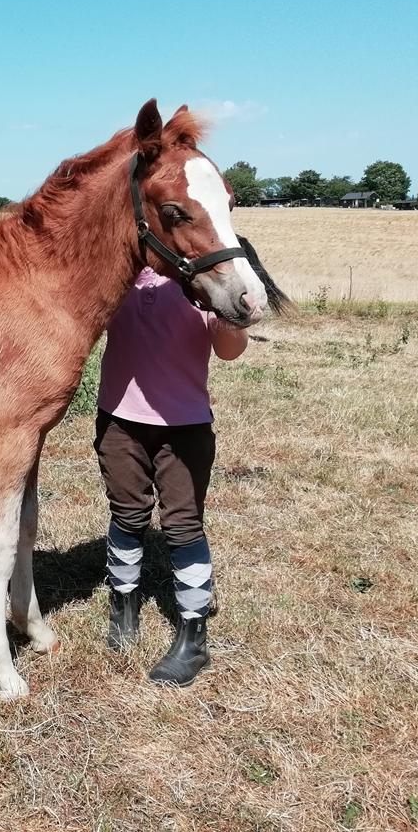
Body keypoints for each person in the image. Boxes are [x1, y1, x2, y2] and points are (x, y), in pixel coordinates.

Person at [94, 265, 249, 686]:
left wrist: (234, 312)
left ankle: (193, 639)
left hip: (184, 427)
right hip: (119, 420)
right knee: (126, 515)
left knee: (182, 527)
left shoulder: (203, 275)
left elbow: (231, 350)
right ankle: (123, 608)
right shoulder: (123, 268)